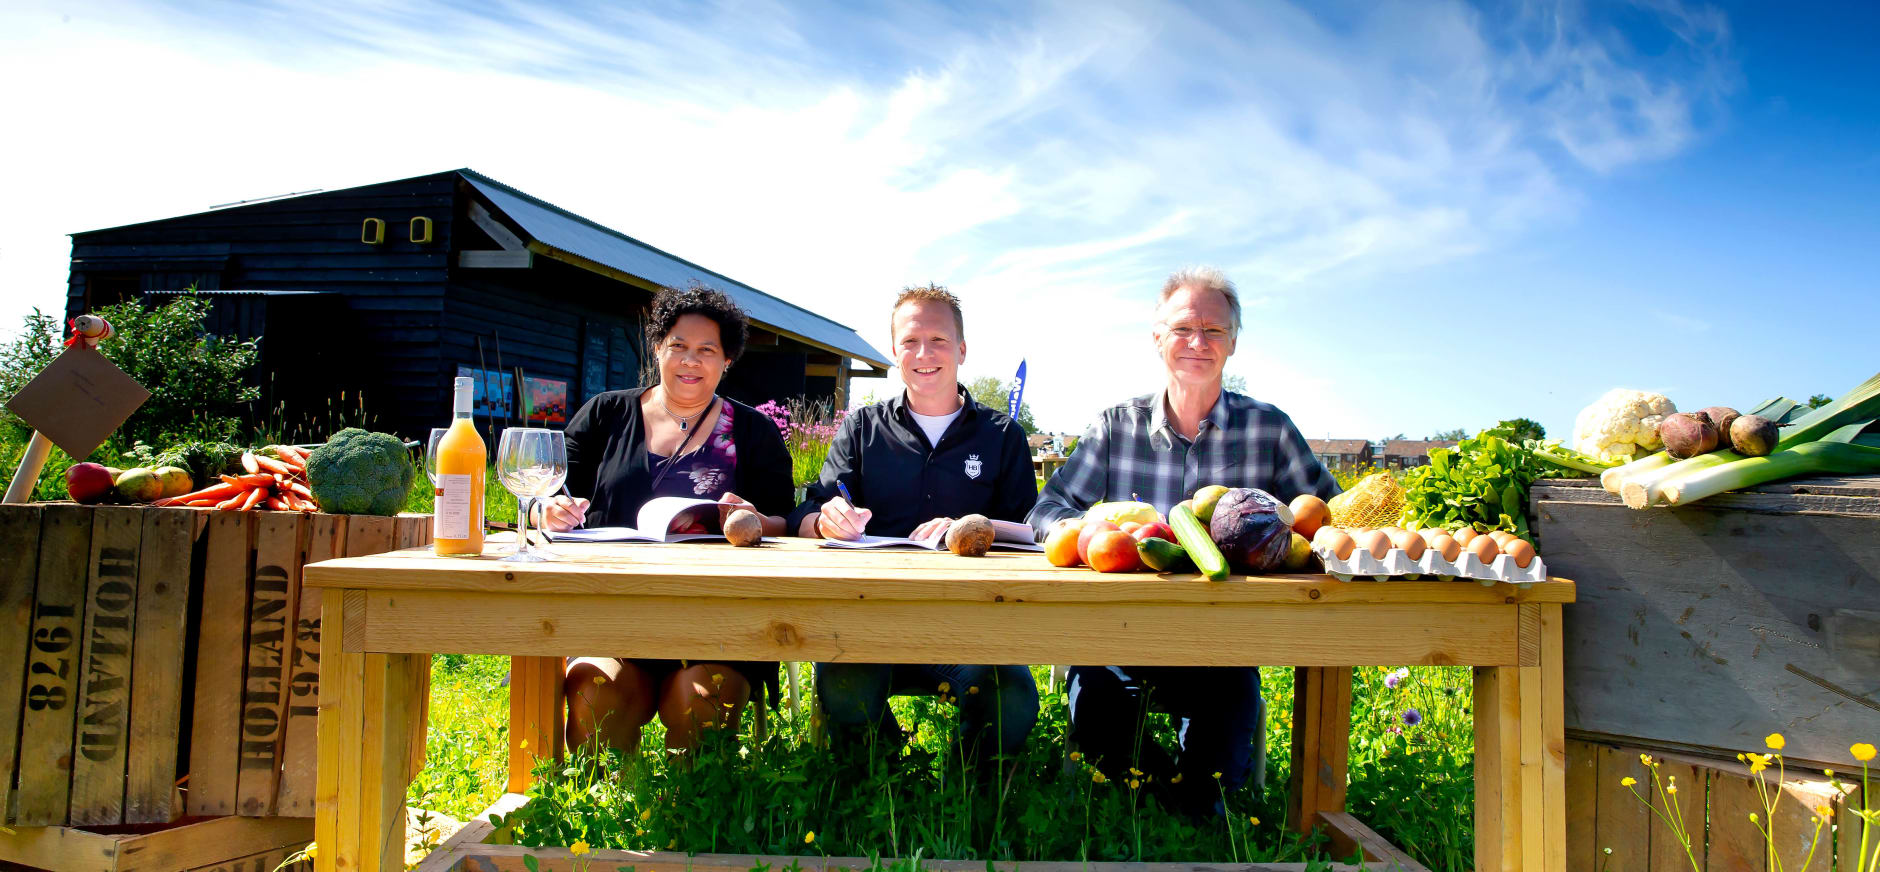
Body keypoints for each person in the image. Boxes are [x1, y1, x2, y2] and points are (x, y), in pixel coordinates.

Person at [1027, 266, 1340, 815]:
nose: (1198, 343)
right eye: (1182, 329)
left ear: (1234, 343)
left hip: (1223, 646)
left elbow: (1327, 515)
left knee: (1214, 789)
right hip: (1115, 642)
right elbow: (1049, 506)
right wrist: (1081, 536)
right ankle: (1148, 792)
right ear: (1157, 339)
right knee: (1104, 742)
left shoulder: (1269, 429)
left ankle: (1191, 805)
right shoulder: (1114, 426)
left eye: (1214, 331)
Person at [536, 284, 794, 755]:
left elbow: (787, 520)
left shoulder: (755, 433)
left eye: (706, 351)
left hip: (719, 623)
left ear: (727, 360)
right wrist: (549, 509)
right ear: (657, 348)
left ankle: (689, 819)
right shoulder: (605, 414)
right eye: (678, 346)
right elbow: (547, 491)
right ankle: (604, 815)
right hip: (612, 614)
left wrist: (753, 520)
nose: (690, 361)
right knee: (597, 695)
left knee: (704, 698)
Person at [790, 284, 1040, 767]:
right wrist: (826, 520)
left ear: (962, 350)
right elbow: (807, 510)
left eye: (939, 340)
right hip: (870, 623)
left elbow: (1030, 531)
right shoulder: (862, 429)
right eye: (909, 341)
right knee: (840, 683)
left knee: (1011, 698)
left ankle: (967, 787)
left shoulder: (1002, 435)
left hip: (974, 628)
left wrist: (975, 528)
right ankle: (886, 774)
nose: (924, 353)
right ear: (894, 352)